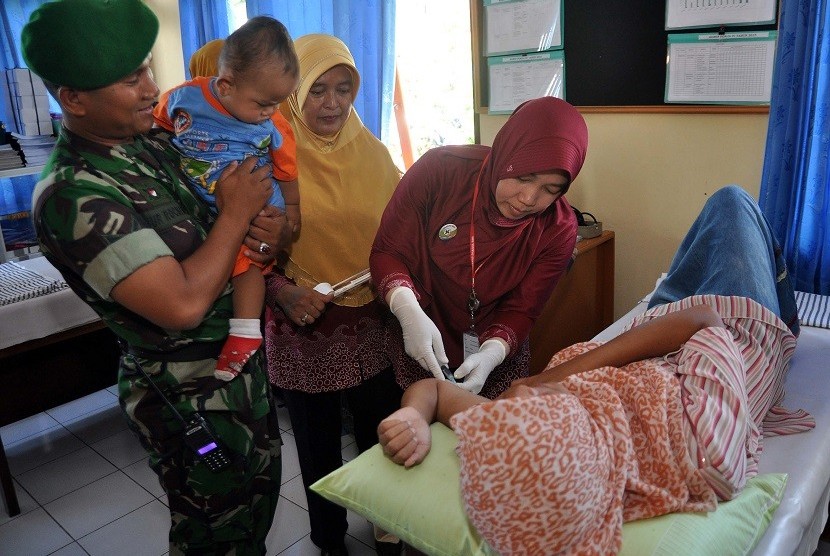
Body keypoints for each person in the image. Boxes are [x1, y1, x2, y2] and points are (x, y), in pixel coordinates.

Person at [378, 186, 814, 555]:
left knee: (698, 251)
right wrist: (550, 380)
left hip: (654, 336)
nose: (514, 396)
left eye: (507, 411)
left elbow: (434, 391)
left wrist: (412, 416)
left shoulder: (520, 444)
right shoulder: (703, 447)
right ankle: (788, 312)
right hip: (735, 331)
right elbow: (704, 318)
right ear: (579, 429)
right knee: (731, 204)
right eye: (530, 407)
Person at [21, 1, 291, 553]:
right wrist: (239, 215)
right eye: (130, 79)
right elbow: (183, 304)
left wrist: (267, 229)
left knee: (257, 514)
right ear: (72, 98)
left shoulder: (155, 145)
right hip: (187, 397)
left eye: (147, 68)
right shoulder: (74, 193)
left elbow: (237, 224)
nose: (151, 87)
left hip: (240, 377)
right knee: (214, 536)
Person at [263, 34, 404, 556]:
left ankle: (389, 531)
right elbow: (243, 248)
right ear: (294, 93)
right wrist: (281, 291)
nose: (333, 103)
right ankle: (329, 541)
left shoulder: (373, 151)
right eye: (317, 89)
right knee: (320, 450)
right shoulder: (273, 156)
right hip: (306, 325)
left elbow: (399, 228)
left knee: (382, 437)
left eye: (344, 89)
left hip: (372, 320)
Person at [370, 96, 587, 398]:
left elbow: (522, 309)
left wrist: (493, 353)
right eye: (523, 177)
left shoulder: (558, 229)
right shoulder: (440, 172)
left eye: (550, 190)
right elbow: (389, 252)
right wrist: (406, 307)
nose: (528, 198)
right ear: (506, 152)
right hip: (422, 329)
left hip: (495, 348)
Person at [154, 17, 301, 381]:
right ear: (225, 85)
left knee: (247, 258)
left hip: (259, 198)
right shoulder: (184, 98)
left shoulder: (272, 125)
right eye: (264, 103)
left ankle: (246, 332)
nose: (271, 112)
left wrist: (293, 213)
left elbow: (287, 170)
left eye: (278, 103)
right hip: (208, 201)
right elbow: (159, 125)